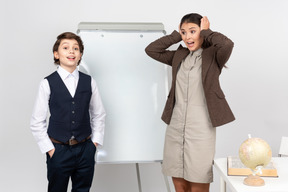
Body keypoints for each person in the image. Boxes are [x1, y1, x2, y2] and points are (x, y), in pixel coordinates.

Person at [145, 13, 235, 192]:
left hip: (201, 127)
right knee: (179, 183)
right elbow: (151, 50)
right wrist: (176, 35)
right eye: (184, 33)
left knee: (198, 182)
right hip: (175, 126)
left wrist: (207, 31)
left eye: (192, 31)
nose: (188, 37)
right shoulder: (179, 56)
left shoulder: (214, 56)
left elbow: (227, 44)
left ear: (202, 32)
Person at [30, 32, 106, 192]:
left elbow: (98, 114)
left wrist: (94, 144)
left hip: (85, 148)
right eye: (66, 48)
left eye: (76, 48)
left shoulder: (89, 81)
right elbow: (37, 121)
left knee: (83, 190)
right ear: (56, 54)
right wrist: (50, 150)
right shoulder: (47, 83)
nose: (71, 51)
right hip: (59, 149)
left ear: (80, 55)